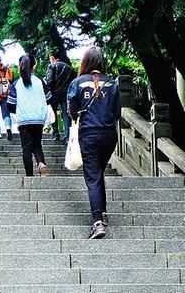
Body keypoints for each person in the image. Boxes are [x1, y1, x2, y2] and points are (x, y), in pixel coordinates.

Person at [68, 46, 120, 240]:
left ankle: (97, 221)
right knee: (98, 171)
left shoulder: (77, 83)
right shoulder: (112, 83)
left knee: (92, 175)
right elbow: (117, 113)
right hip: (109, 135)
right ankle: (102, 212)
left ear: (85, 62)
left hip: (88, 135)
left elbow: (72, 110)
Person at [7, 55, 53, 176]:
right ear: (34, 66)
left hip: (24, 120)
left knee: (26, 148)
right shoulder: (40, 81)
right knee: (37, 144)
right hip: (38, 119)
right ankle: (41, 163)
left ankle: (29, 175)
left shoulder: (16, 84)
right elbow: (49, 98)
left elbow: (10, 104)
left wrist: (17, 110)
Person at [45, 51, 74, 142]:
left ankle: (55, 133)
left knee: (53, 114)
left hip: (54, 94)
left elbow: (49, 81)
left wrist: (48, 92)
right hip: (66, 94)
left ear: (52, 58)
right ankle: (67, 136)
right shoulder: (69, 68)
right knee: (66, 114)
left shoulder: (52, 66)